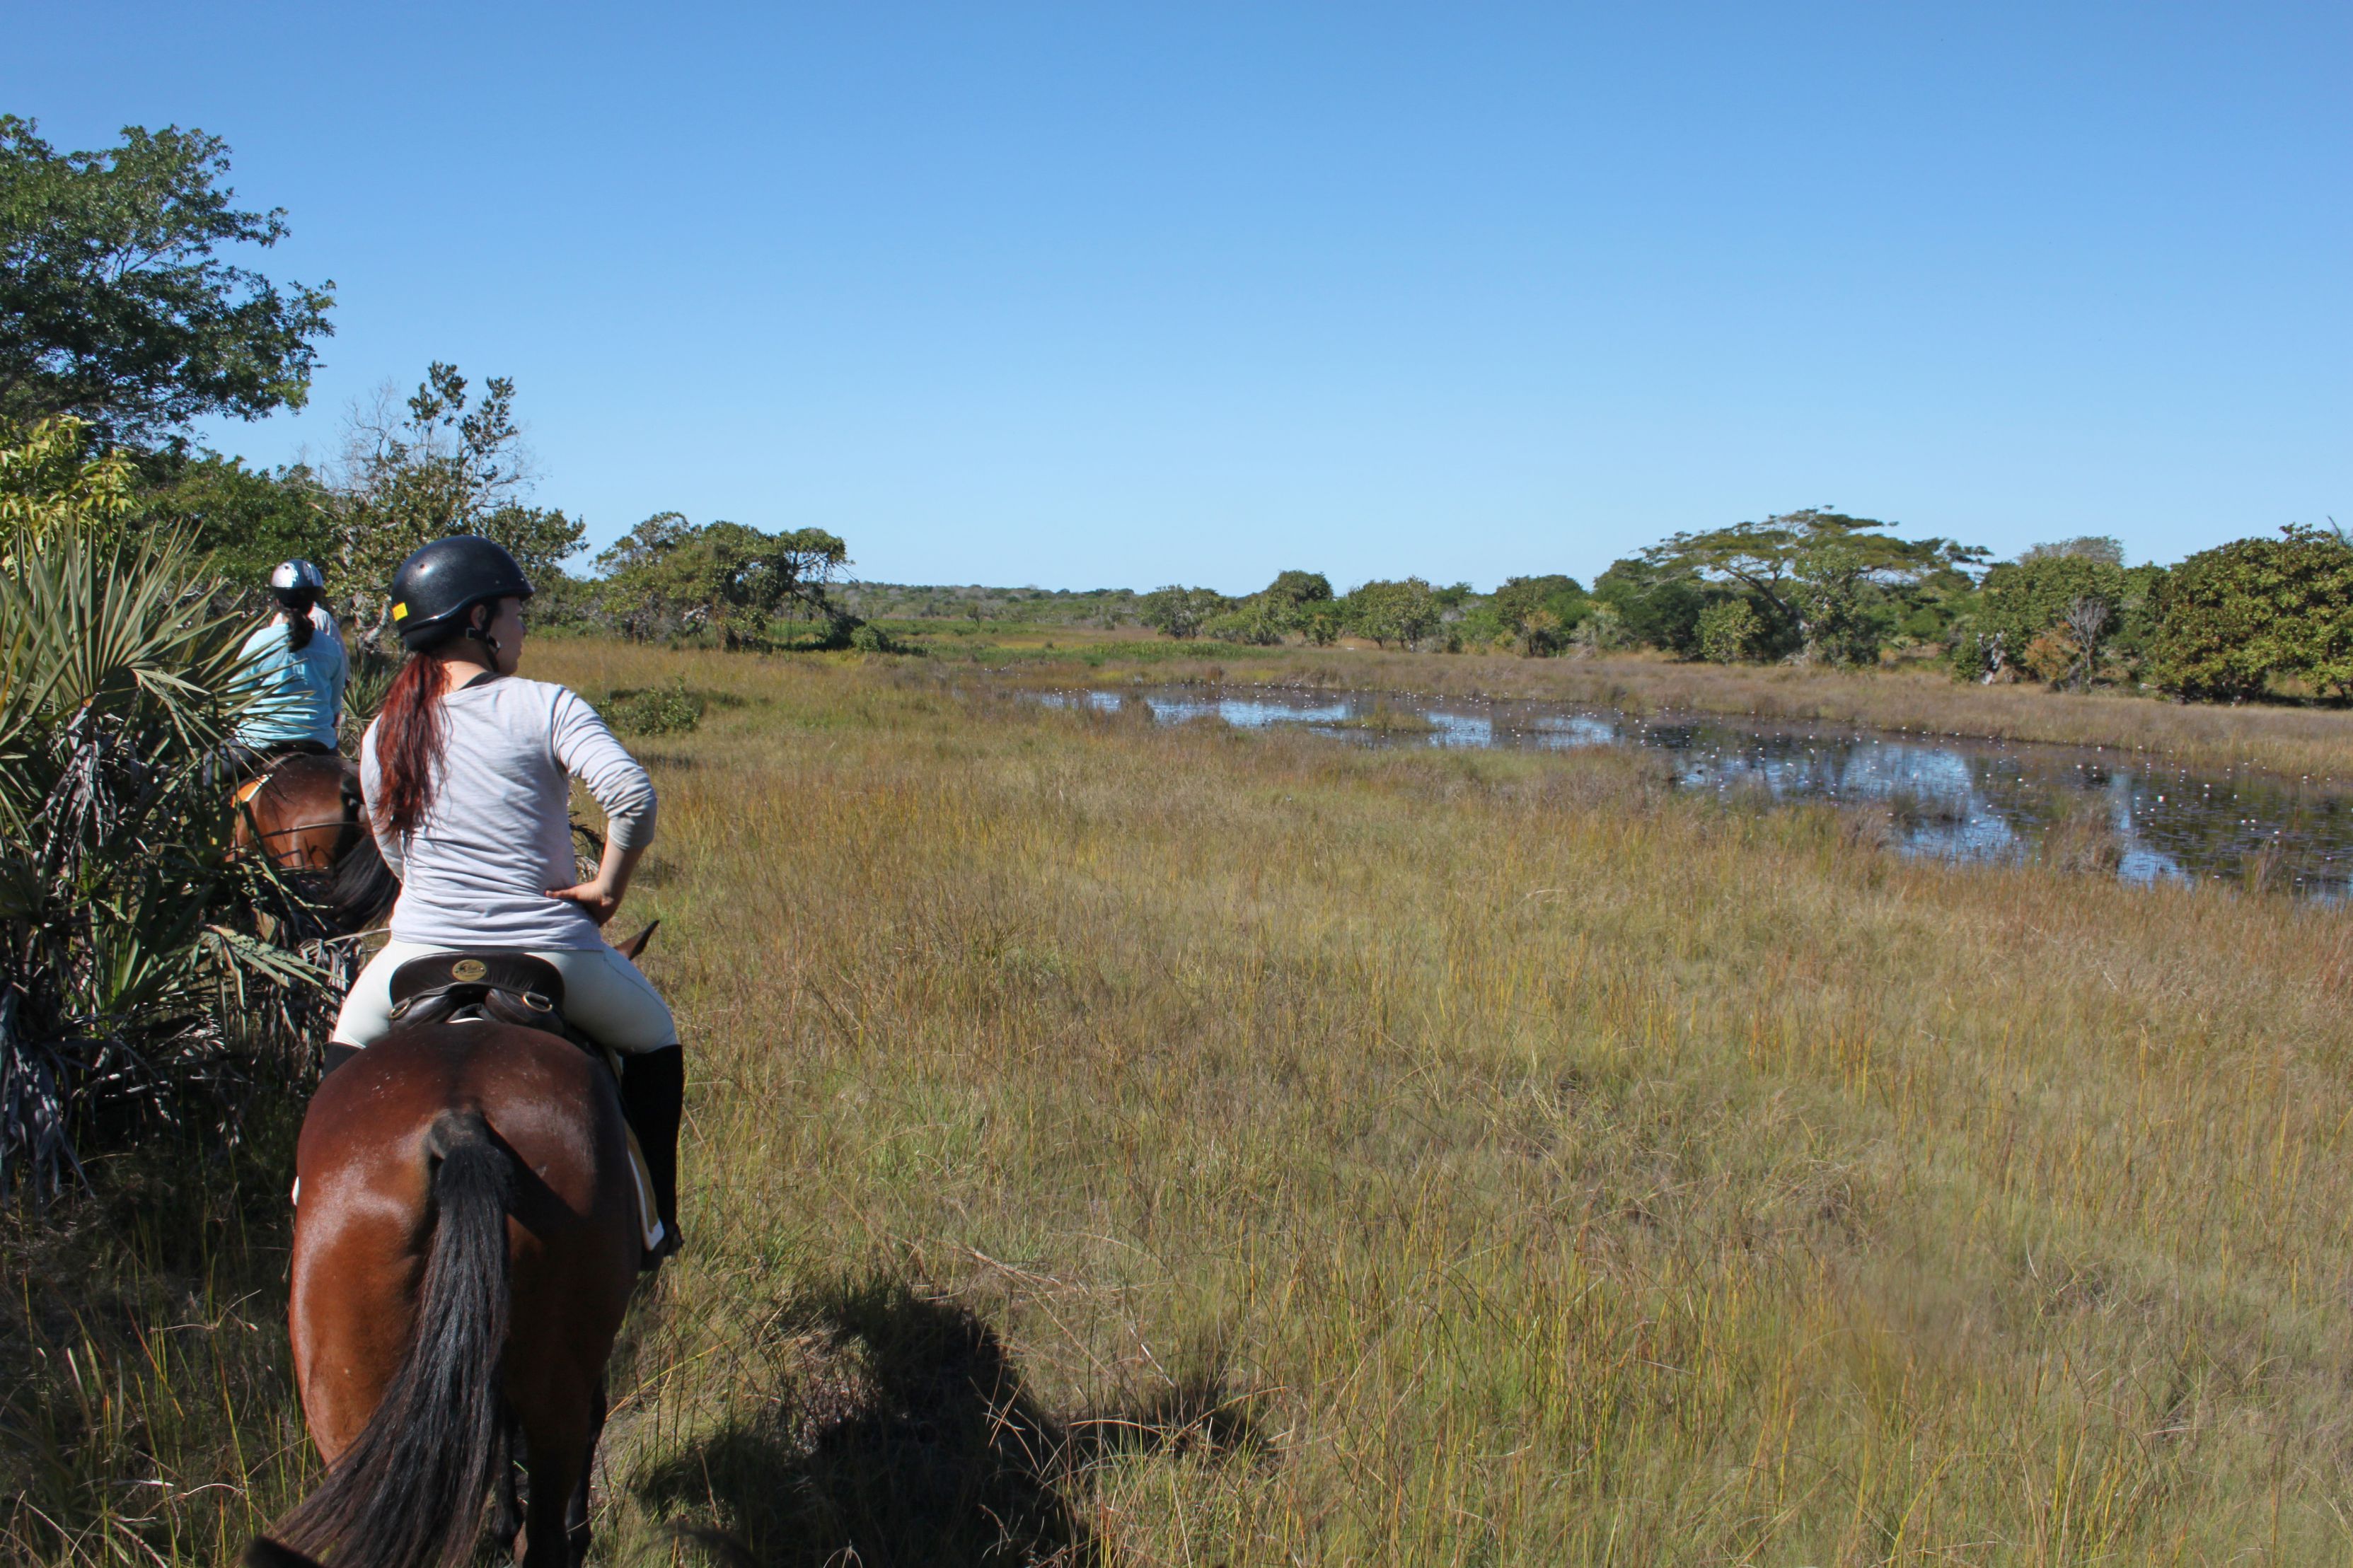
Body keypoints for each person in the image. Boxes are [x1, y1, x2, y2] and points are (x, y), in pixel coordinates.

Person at [328, 536, 685, 1261]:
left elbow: (392, 847)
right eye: (518, 613)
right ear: (481, 618)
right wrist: (605, 890)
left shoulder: (382, 731)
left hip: (415, 954)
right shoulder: (546, 705)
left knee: (339, 1073)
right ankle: (655, 1224)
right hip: (550, 952)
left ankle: (308, 1210)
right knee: (656, 1042)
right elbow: (633, 799)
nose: (524, 628)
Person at [231, 559, 349, 762]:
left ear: (278, 600)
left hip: (260, 741)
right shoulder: (331, 647)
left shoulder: (260, 641)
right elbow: (334, 706)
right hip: (318, 744)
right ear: (313, 602)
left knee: (206, 778)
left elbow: (235, 696)